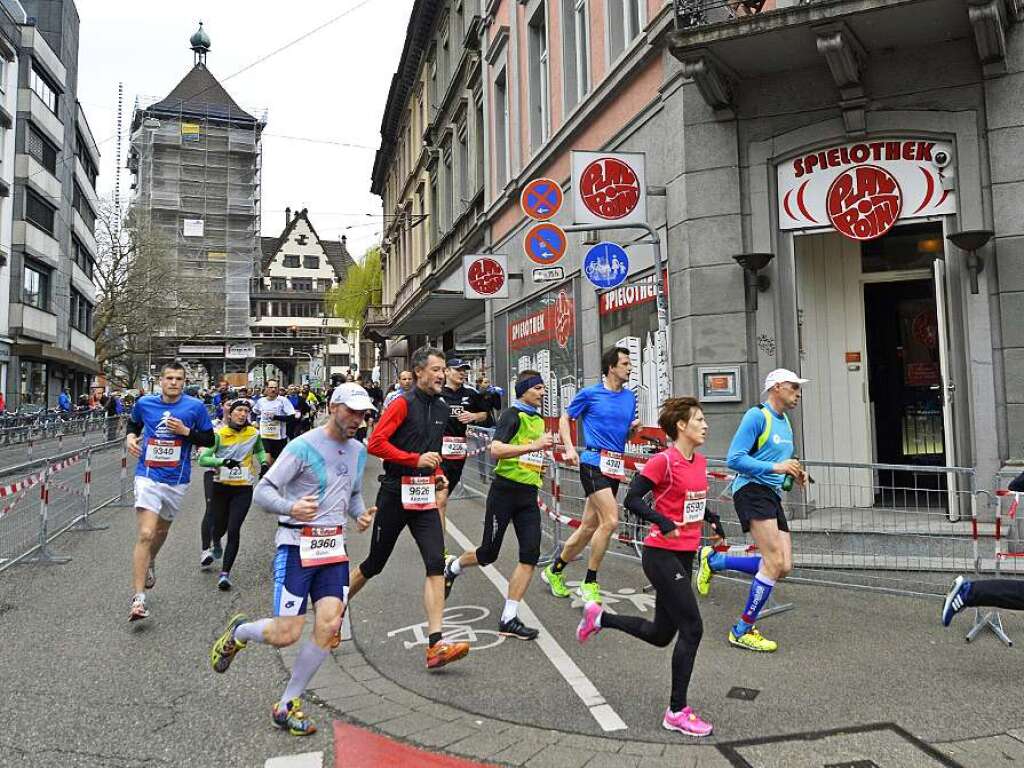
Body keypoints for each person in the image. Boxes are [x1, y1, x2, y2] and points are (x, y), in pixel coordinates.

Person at [208, 383, 378, 737]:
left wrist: (359, 516)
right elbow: (263, 491)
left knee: (330, 625)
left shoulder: (359, 450)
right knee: (287, 634)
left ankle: (287, 703)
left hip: (333, 550)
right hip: (296, 546)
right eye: (352, 412)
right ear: (333, 407)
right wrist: (292, 507)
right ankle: (240, 632)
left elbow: (355, 493)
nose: (358, 420)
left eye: (364, 414)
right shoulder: (302, 447)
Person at [576, 397, 721, 737]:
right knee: (693, 628)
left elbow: (691, 502)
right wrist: (662, 521)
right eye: (698, 419)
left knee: (661, 634)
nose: (705, 425)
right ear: (681, 426)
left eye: (704, 419)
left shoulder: (698, 461)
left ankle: (599, 617)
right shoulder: (663, 461)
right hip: (660, 554)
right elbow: (633, 499)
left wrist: (712, 519)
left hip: (684, 552)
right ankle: (676, 711)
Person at [347, 346, 470, 669]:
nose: (442, 375)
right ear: (418, 372)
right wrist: (412, 460)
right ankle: (334, 612)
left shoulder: (442, 408)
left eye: (443, 370)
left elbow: (433, 451)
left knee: (434, 564)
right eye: (436, 369)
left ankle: (435, 644)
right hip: (394, 492)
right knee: (374, 564)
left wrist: (439, 474)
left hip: (424, 494)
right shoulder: (403, 403)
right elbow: (376, 444)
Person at [695, 368, 809, 653]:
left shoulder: (785, 423)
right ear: (777, 387)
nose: (798, 393)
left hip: (770, 495)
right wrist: (776, 467)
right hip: (751, 492)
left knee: (783, 566)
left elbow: (782, 459)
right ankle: (742, 629)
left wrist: (796, 471)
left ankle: (714, 562)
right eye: (794, 387)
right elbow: (734, 459)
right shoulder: (757, 416)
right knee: (772, 562)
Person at [443, 370, 553, 640]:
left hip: (528, 495)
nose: (542, 392)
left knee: (530, 554)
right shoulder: (511, 415)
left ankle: (509, 617)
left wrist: (540, 467)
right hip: (504, 492)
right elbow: (496, 449)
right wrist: (533, 447)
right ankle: (454, 567)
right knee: (488, 553)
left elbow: (533, 451)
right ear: (525, 390)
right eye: (537, 388)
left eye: (543, 388)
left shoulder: (537, 418)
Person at [542, 347, 639, 604]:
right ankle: (590, 582)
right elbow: (565, 419)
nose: (630, 368)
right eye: (625, 364)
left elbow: (623, 437)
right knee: (610, 521)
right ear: (611, 367)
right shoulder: (590, 394)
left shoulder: (630, 398)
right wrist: (570, 448)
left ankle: (554, 570)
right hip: (593, 462)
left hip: (614, 465)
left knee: (588, 527)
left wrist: (631, 431)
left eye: (630, 364)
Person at [125, 362, 215, 621]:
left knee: (161, 531)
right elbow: (133, 425)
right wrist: (130, 438)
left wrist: (186, 432)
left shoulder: (195, 407)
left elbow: (209, 440)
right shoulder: (145, 404)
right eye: (169, 378)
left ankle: (150, 560)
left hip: (177, 479)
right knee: (145, 532)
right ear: (160, 380)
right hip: (148, 476)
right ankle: (139, 600)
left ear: (184, 382)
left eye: (178, 379)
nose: (173, 382)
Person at [197, 399, 269, 590]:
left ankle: (225, 574)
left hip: (243, 488)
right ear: (230, 413)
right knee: (219, 526)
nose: (243, 414)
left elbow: (260, 450)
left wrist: (263, 463)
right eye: (239, 410)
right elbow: (203, 460)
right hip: (221, 487)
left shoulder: (253, 433)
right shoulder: (219, 434)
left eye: (246, 411)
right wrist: (222, 462)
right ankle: (215, 541)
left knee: (234, 528)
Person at [436, 358, 489, 535]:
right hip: (438, 453)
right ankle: (438, 550)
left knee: (444, 496)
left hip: (459, 453)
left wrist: (473, 417)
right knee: (440, 499)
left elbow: (485, 414)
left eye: (464, 370)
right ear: (447, 372)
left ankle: (427, 526)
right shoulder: (437, 393)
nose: (462, 373)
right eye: (458, 369)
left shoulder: (471, 393)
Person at [253, 380, 297, 463]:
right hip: (265, 436)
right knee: (267, 462)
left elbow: (292, 417)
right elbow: (254, 412)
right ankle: (264, 472)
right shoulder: (261, 401)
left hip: (279, 438)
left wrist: (276, 417)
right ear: (266, 388)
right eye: (270, 387)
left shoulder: (283, 401)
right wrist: (253, 421)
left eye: (275, 388)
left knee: (277, 464)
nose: (273, 390)